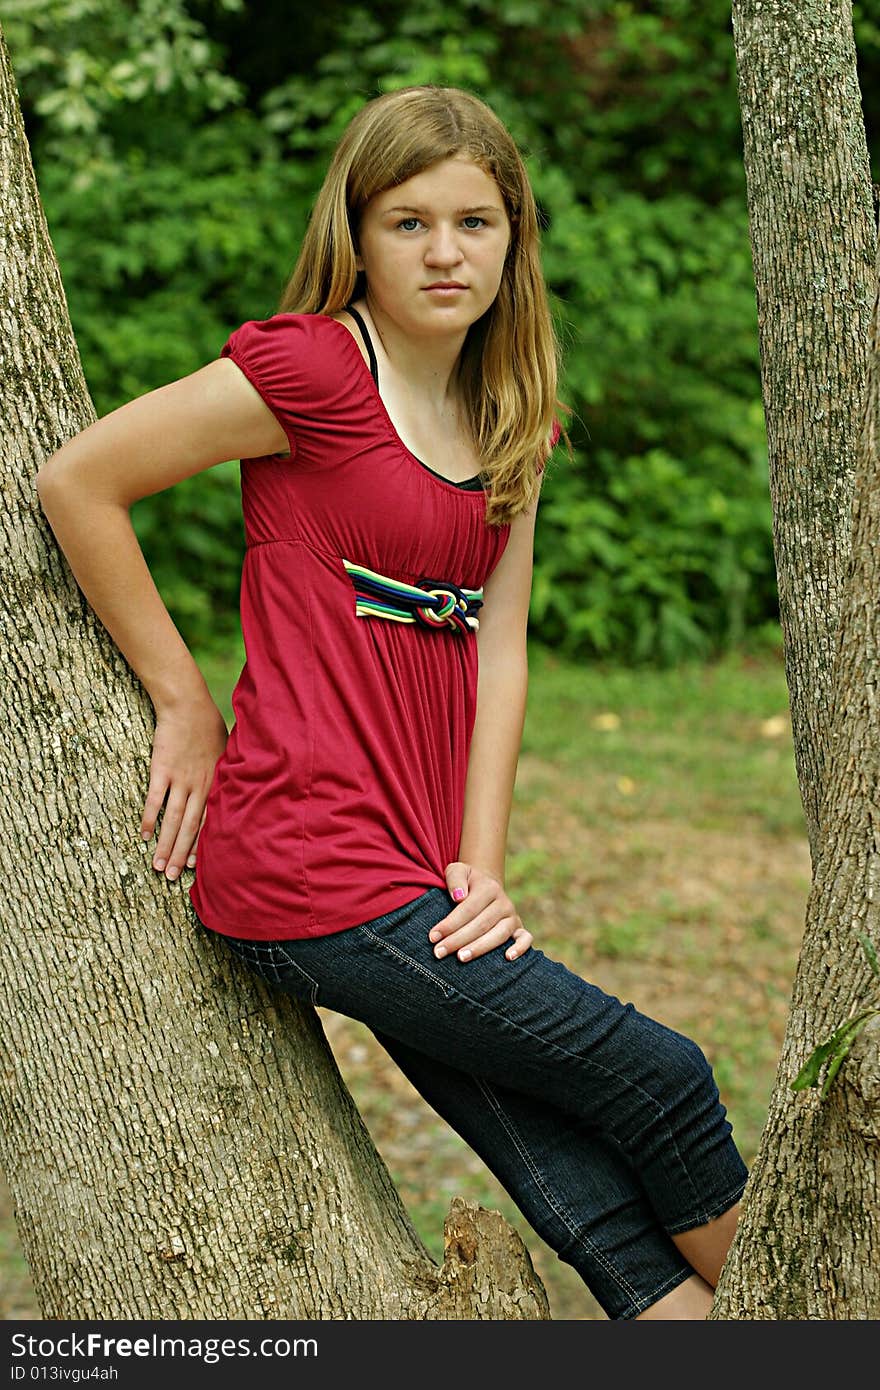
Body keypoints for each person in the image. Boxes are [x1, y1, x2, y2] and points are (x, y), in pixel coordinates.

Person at [36, 84, 748, 1321]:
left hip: (417, 875)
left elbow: (501, 653)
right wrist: (183, 698)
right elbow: (78, 481)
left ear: (514, 237)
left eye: (474, 221)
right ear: (356, 234)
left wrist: (480, 864)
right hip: (310, 866)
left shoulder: (513, 413)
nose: (443, 251)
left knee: (580, 1190)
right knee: (666, 1079)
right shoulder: (310, 370)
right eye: (407, 221)